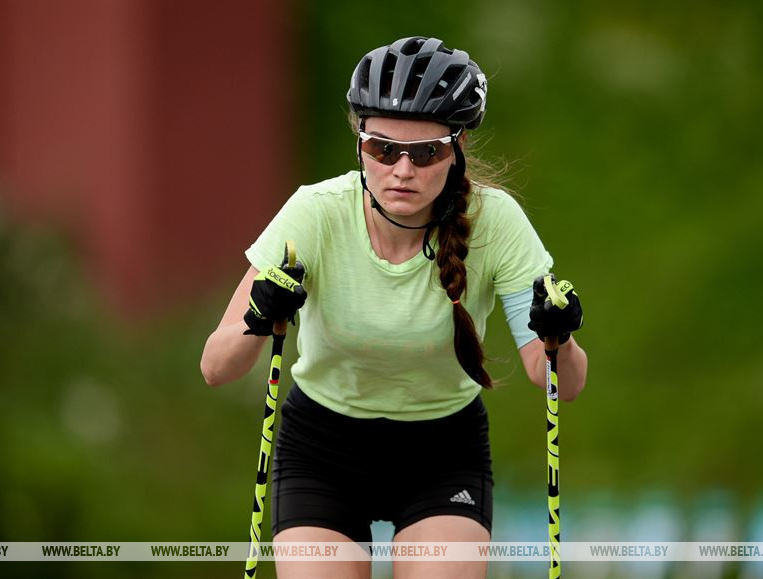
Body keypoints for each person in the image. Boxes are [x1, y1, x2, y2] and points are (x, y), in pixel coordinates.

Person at [201, 36, 588, 579]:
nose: (401, 170)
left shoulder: (496, 222)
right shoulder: (315, 213)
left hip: (442, 450)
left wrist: (559, 337)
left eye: (425, 153)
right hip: (322, 448)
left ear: (455, 151)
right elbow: (216, 368)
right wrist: (259, 317)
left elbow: (561, 384)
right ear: (359, 145)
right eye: (382, 149)